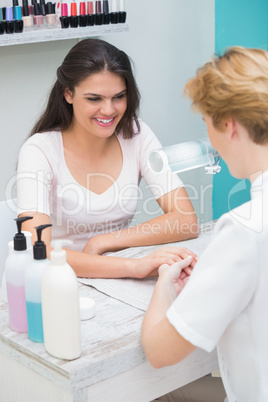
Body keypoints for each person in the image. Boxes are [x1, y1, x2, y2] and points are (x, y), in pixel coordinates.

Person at [141, 46, 268, 402]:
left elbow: (160, 351)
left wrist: (164, 287)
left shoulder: (245, 228)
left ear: (228, 123)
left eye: (206, 123)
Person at [16, 38, 198, 279]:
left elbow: (186, 220)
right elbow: (35, 250)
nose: (109, 110)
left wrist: (102, 242)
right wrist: (133, 267)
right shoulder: (39, 150)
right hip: (58, 280)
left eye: (118, 97)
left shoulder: (137, 134)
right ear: (68, 94)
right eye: (94, 99)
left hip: (115, 278)